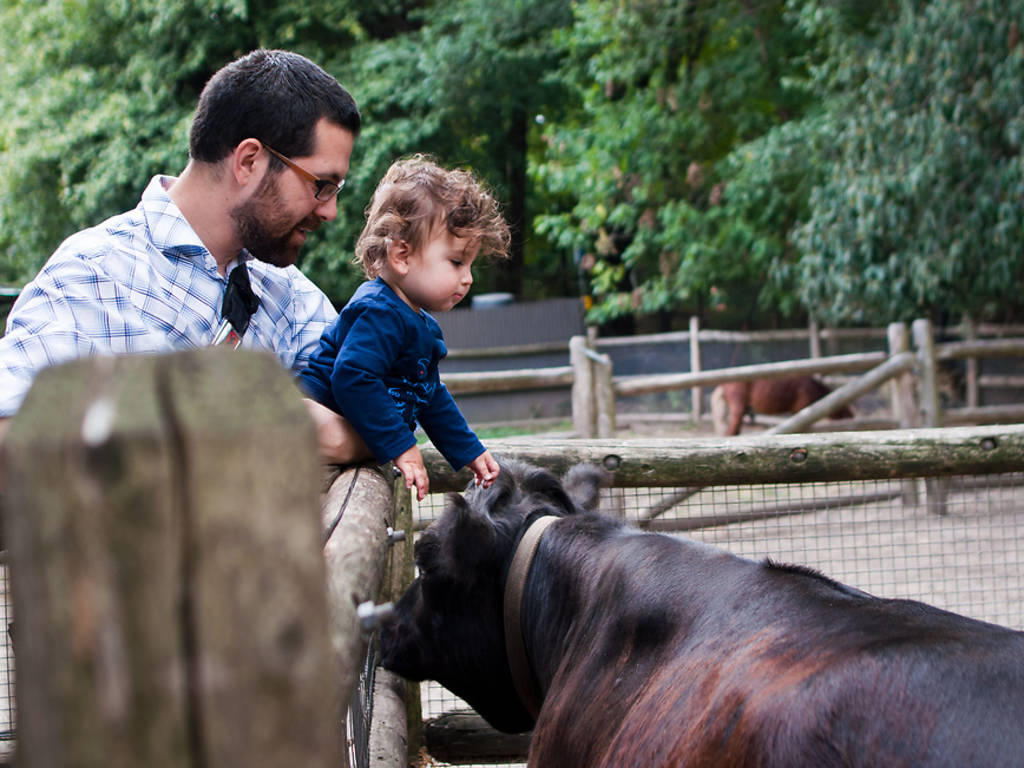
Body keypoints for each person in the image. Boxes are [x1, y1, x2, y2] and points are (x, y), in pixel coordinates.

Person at [0, 49, 366, 466]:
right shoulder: (95, 272)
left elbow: (382, 405)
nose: (329, 211)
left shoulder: (286, 293)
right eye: (322, 184)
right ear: (249, 161)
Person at [299, 155, 511, 500]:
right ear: (402, 256)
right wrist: (403, 447)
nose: (468, 277)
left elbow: (428, 394)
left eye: (470, 264)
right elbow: (353, 377)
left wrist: (468, 450)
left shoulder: (418, 323)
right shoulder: (378, 311)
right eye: (457, 261)